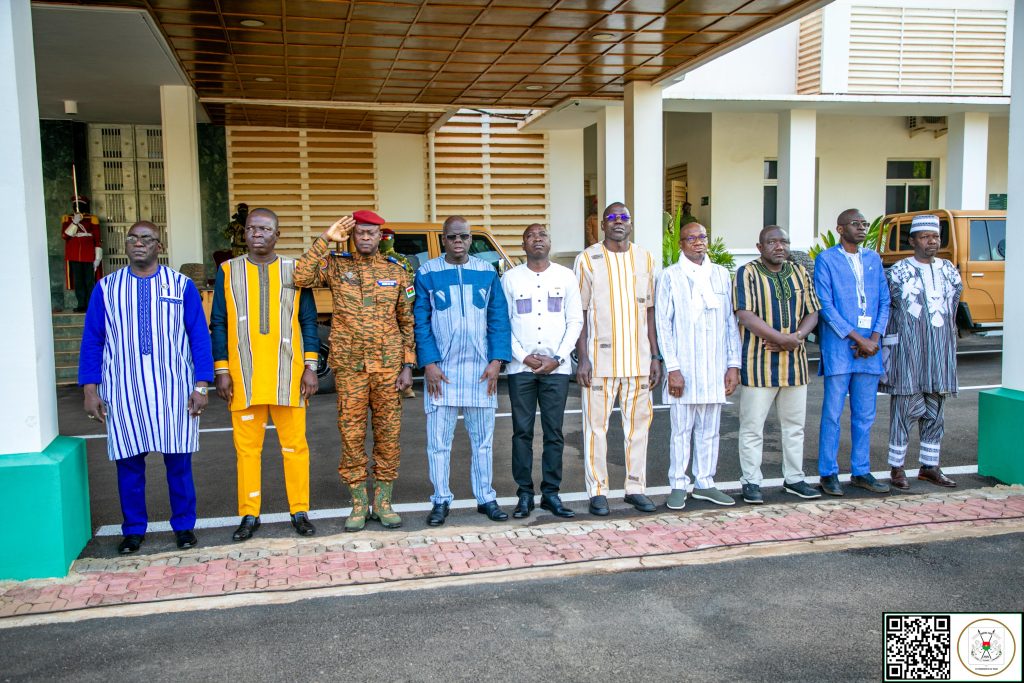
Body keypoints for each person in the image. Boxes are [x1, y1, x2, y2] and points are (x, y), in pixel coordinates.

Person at [78, 221, 212, 554]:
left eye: (147, 238)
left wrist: (202, 385)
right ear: (125, 245)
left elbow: (199, 336)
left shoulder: (180, 285)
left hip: (174, 390)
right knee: (128, 466)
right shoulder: (107, 288)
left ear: (159, 246)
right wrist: (90, 389)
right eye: (133, 238)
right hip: (124, 391)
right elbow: (93, 340)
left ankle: (184, 526)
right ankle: (134, 530)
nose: (139, 243)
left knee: (179, 465)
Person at [294, 210, 415, 532]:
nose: (364, 237)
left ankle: (384, 502)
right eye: (359, 232)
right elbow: (300, 276)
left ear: (380, 237)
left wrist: (407, 365)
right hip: (350, 369)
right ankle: (359, 503)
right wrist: (325, 238)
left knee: (389, 437)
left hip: (388, 368)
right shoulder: (336, 266)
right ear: (351, 235)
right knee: (351, 436)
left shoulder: (397, 270)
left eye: (370, 233)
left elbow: (407, 320)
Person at [211, 208, 319, 541]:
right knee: (247, 451)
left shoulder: (294, 270)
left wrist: (311, 367)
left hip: (289, 375)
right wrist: (221, 369)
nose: (257, 233)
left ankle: (299, 510)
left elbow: (308, 320)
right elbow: (219, 322)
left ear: (277, 234)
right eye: (251, 228)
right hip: (244, 376)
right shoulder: (228, 270)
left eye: (265, 228)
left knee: (295, 447)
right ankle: (249, 513)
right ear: (243, 233)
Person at [414, 215, 512, 527]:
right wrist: (429, 363)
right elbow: (420, 320)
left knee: (483, 441)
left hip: (481, 372)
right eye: (452, 236)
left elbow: (499, 318)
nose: (459, 241)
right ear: (443, 239)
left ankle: (486, 497)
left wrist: (497, 361)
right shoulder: (427, 272)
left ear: (471, 239)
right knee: (438, 443)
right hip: (441, 372)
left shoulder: (486, 272)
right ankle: (440, 500)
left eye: (464, 236)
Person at [574, 202, 662, 516]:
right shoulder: (587, 259)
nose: (618, 222)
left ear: (631, 223)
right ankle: (598, 491)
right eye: (611, 217)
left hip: (639, 362)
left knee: (638, 429)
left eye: (624, 217)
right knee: (595, 429)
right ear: (602, 225)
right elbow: (579, 312)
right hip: (599, 363)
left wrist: (655, 356)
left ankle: (635, 488)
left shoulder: (646, 258)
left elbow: (650, 311)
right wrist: (582, 358)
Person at [733, 226, 822, 504]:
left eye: (784, 241)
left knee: (794, 427)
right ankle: (751, 481)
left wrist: (795, 338)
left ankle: (794, 479)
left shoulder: (799, 272)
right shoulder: (747, 273)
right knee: (752, 427)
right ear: (760, 247)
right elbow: (745, 315)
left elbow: (813, 312)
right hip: (758, 363)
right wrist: (782, 339)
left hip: (795, 364)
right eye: (772, 242)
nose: (779, 246)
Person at [656, 222, 741, 509]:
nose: (697, 242)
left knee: (710, 430)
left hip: (715, 367)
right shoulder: (670, 276)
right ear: (681, 244)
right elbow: (663, 325)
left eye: (702, 237)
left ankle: (705, 482)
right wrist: (673, 368)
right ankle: (678, 484)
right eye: (690, 238)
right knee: (681, 431)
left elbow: (730, 322)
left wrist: (733, 365)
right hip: (684, 368)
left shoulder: (720, 275)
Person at [502, 224, 583, 519]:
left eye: (543, 235)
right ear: (523, 244)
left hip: (556, 370)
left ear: (550, 242)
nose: (538, 239)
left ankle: (551, 494)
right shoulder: (510, 278)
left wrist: (558, 359)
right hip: (520, 368)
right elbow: (503, 323)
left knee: (554, 433)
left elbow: (575, 321)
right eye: (531, 236)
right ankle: (524, 494)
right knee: (522, 432)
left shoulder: (566, 276)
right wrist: (524, 357)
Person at [880, 214, 962, 489]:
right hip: (909, 352)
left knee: (936, 411)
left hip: (939, 352)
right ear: (912, 240)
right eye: (925, 237)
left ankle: (929, 467)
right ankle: (897, 468)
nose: (932, 241)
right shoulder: (897, 272)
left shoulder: (949, 270)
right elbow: (887, 310)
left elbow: (953, 307)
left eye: (935, 236)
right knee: (904, 409)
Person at [814, 209, 891, 496]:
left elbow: (884, 301)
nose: (861, 228)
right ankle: (828, 473)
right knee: (832, 414)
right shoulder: (826, 260)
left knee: (865, 415)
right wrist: (858, 338)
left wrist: (874, 339)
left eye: (864, 224)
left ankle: (861, 471)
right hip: (840, 347)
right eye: (855, 224)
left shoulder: (873, 259)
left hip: (870, 350)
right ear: (840, 228)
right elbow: (825, 305)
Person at [380, 227, 417, 399]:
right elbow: (409, 286)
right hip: (390, 310)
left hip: (395, 309)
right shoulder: (399, 260)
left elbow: (408, 285)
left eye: (387, 239)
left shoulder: (399, 261)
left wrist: (409, 303)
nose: (386, 242)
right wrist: (410, 302)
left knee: (402, 344)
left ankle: (405, 383)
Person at [62, 195, 102, 312]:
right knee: (78, 282)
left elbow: (97, 239)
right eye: (76, 205)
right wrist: (74, 222)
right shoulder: (67, 219)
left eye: (80, 205)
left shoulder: (92, 219)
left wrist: (97, 258)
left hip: (89, 255)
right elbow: (65, 236)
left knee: (90, 282)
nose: (77, 207)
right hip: (74, 255)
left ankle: (91, 304)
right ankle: (81, 304)